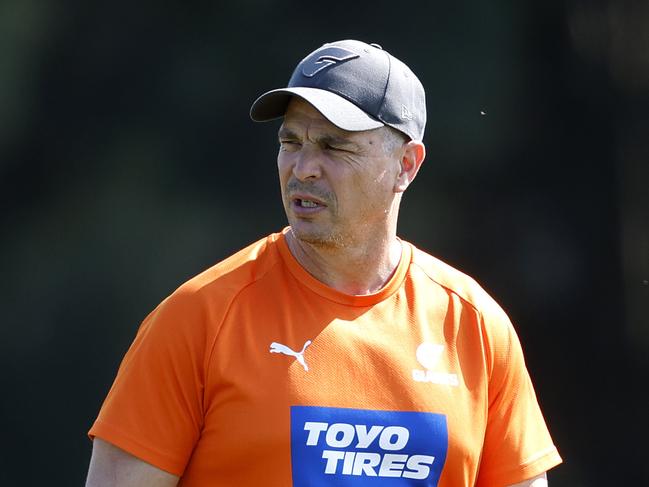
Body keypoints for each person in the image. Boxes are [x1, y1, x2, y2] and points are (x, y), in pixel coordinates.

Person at [86, 39, 562, 487]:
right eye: (291, 142)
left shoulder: (473, 325)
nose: (304, 167)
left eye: (334, 146)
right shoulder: (197, 320)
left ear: (407, 166)